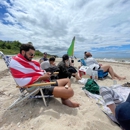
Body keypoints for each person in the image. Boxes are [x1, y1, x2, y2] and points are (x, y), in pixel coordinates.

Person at [9, 44, 79, 108]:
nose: (32, 57)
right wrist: (42, 77)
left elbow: (35, 73)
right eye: (31, 54)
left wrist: (45, 74)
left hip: (44, 81)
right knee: (70, 92)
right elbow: (21, 82)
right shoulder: (16, 63)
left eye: (33, 55)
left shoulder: (25, 62)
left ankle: (64, 97)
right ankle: (64, 96)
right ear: (23, 52)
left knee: (67, 80)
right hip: (38, 88)